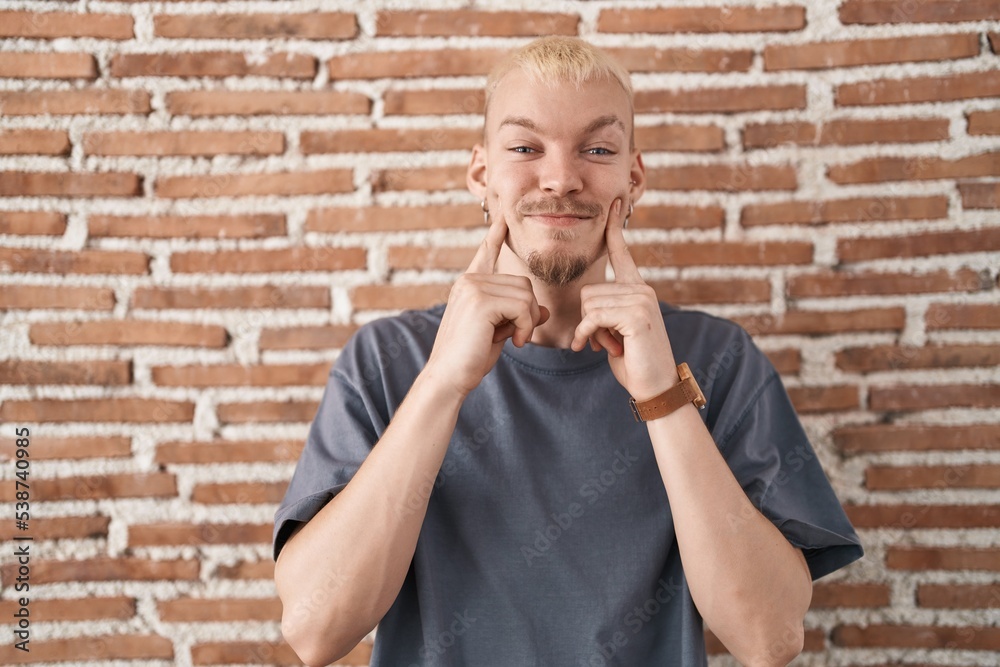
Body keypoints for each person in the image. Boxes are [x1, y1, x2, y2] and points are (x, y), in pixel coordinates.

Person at [273, 36, 863, 667]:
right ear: (482, 174)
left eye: (598, 149)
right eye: (525, 147)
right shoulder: (386, 359)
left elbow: (768, 638)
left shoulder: (717, 358)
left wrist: (664, 399)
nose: (560, 178)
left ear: (632, 178)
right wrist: (443, 381)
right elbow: (314, 630)